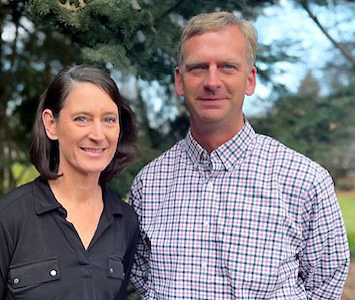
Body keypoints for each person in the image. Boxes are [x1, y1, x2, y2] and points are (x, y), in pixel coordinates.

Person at [129, 11, 350, 299]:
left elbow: (325, 283)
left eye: (227, 66)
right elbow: (143, 278)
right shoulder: (150, 185)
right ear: (180, 81)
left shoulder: (305, 181)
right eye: (198, 68)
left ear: (249, 79)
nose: (212, 81)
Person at [0, 65, 139, 300]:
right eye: (81, 119)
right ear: (51, 124)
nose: (98, 134)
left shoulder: (125, 222)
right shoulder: (7, 218)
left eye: (109, 119)